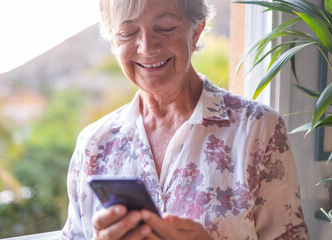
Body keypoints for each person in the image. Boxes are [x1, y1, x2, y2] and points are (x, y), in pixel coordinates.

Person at [62, 0, 309, 239]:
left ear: (196, 31)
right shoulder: (93, 144)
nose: (146, 47)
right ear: (114, 42)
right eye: (127, 32)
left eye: (166, 28)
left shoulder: (258, 129)